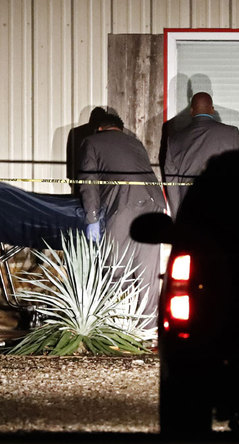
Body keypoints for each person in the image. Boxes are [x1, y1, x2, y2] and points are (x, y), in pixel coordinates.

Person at [79, 113, 166, 327]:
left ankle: (119, 326)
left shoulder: (91, 142)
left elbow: (88, 181)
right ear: (119, 128)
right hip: (154, 204)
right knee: (148, 272)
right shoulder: (134, 142)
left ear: (98, 128)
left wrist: (91, 217)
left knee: (115, 267)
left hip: (123, 205)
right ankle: (149, 329)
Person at [164, 92, 239, 217]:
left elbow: (171, 182)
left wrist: (177, 215)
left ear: (191, 111)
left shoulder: (175, 139)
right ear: (212, 109)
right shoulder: (231, 133)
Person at [66, 107, 107, 196]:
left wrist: (71, 177)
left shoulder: (75, 132)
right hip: (100, 179)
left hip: (79, 177)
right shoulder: (106, 135)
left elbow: (70, 157)